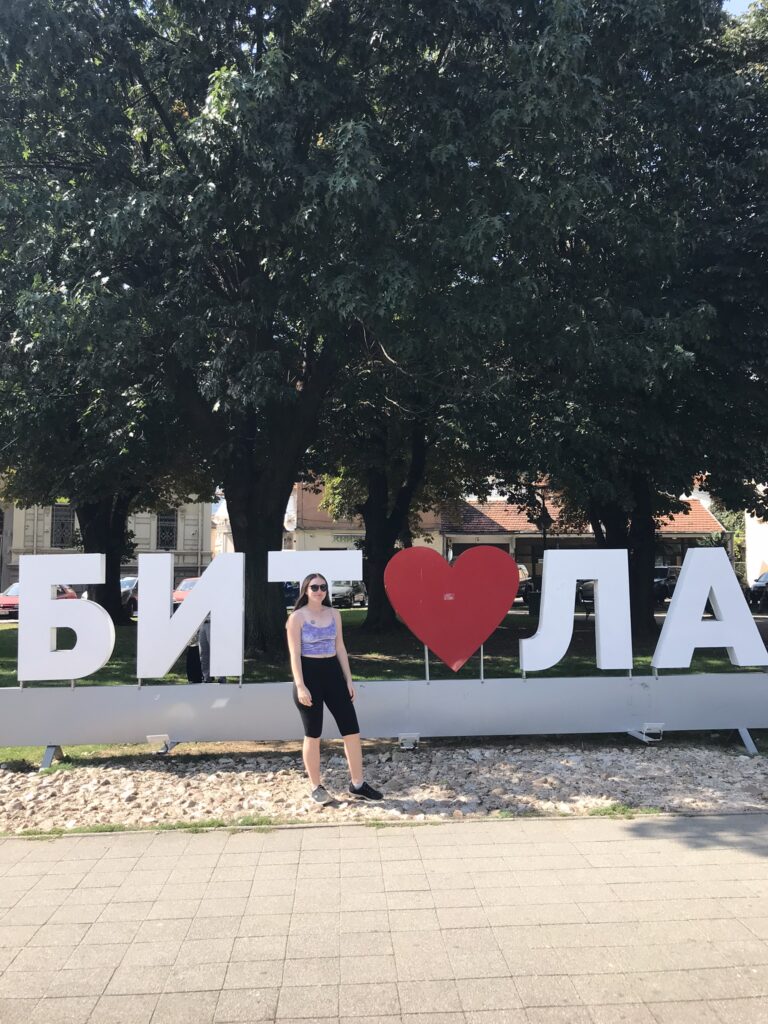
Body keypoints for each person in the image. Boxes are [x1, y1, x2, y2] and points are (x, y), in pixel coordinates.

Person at [286, 573, 382, 805]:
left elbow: (340, 647)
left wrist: (348, 679)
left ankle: (357, 784)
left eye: (323, 587)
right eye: (314, 587)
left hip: (333, 674)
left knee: (351, 730)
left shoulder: (335, 614)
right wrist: (300, 686)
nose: (319, 590)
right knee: (313, 734)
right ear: (306, 590)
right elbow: (294, 654)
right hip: (309, 676)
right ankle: (316, 786)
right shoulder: (296, 618)